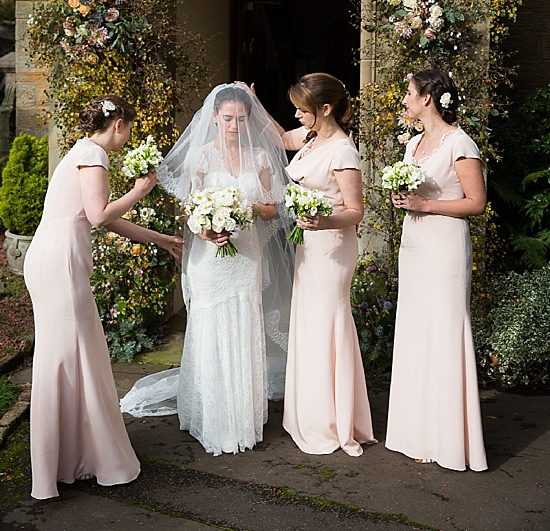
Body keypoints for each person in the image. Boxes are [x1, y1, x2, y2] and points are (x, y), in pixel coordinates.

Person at [120, 84, 294, 456]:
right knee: (209, 325)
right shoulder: (200, 156)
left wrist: (243, 210)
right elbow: (189, 206)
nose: (234, 125)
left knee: (243, 324)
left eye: (241, 119)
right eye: (227, 118)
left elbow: (272, 209)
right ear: (214, 117)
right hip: (208, 257)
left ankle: (241, 417)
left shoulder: (261, 157)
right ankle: (211, 416)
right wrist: (204, 227)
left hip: (245, 256)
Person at [24, 96, 182, 500]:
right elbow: (99, 215)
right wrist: (141, 189)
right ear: (117, 125)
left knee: (75, 354)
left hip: (51, 258)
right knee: (65, 357)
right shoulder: (93, 155)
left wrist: (159, 238)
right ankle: (67, 462)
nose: (128, 138)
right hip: (60, 263)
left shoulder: (82, 151)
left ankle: (74, 455)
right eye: (128, 129)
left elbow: (105, 218)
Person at [247, 73, 376, 456]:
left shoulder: (342, 151)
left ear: (326, 108)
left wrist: (323, 221)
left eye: (304, 110)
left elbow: (355, 211)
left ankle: (333, 422)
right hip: (309, 245)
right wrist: (255, 107)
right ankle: (307, 415)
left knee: (327, 324)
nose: (297, 116)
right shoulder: (309, 137)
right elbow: (280, 138)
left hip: (333, 246)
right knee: (308, 324)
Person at [385, 68, 488, 471]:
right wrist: (403, 197)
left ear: (427, 98)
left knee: (444, 333)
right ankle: (417, 433)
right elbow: (417, 193)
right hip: (414, 245)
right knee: (416, 333)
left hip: (444, 246)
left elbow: (475, 202)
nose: (406, 100)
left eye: (409, 93)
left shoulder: (459, 143)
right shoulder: (412, 143)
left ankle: (449, 440)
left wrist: (425, 205)